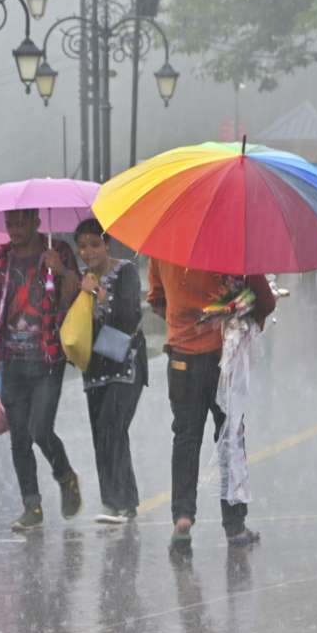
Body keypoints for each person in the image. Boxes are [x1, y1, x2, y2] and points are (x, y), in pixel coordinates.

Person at [147, 260, 276, 549]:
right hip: (224, 359)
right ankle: (234, 525)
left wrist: (185, 321)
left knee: (185, 438)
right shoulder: (234, 246)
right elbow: (264, 301)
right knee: (230, 437)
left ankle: (182, 515)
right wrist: (235, 310)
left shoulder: (165, 247)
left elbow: (157, 300)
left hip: (181, 358)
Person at [0, 208, 83, 531]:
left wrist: (61, 270)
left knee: (40, 429)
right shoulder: (2, 258)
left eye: (22, 222)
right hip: (12, 359)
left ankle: (65, 476)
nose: (15, 228)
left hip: (48, 357)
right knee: (19, 437)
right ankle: (32, 506)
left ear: (37, 222)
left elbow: (75, 296)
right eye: (10, 223)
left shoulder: (58, 249)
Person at [74, 219, 147, 524]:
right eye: (82, 246)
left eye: (94, 244)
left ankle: (122, 501)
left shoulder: (126, 271)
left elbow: (129, 316)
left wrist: (100, 297)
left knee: (113, 426)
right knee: (100, 432)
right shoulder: (81, 279)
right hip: (95, 368)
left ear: (107, 244)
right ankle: (113, 502)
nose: (88, 252)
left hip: (125, 364)